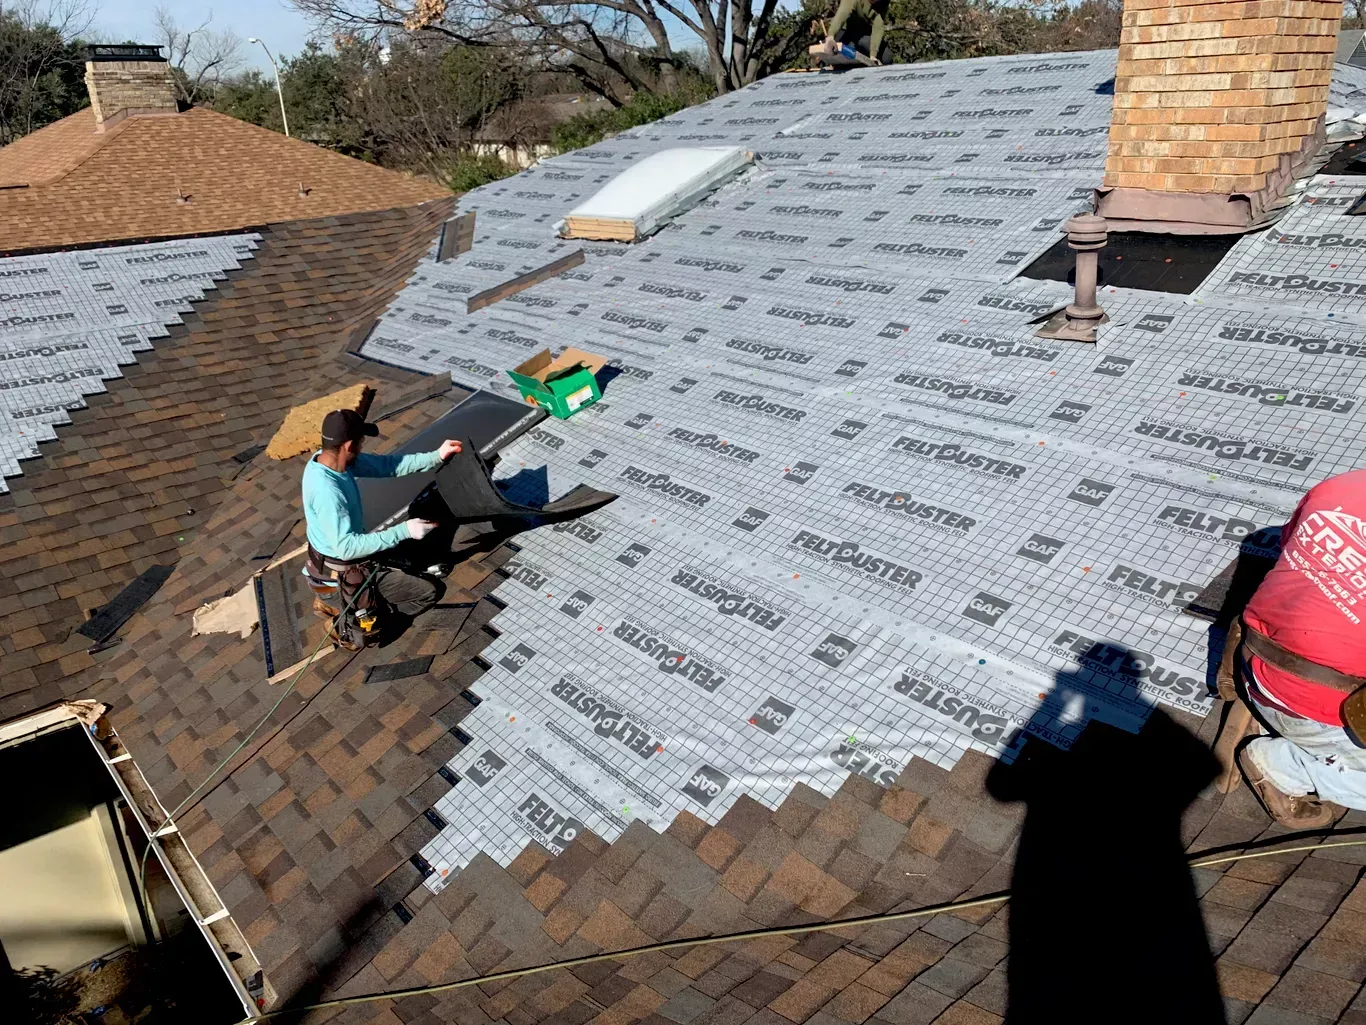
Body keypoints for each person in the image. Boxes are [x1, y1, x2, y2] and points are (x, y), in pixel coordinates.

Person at [1235, 468, 1366, 827]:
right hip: (1310, 705)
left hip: (1254, 652)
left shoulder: (1345, 485)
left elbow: (1290, 548)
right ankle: (1284, 766)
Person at [301, 408, 461, 648]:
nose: (363, 447)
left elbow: (388, 465)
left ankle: (329, 602)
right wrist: (403, 530)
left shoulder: (329, 460)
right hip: (342, 576)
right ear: (348, 445)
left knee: (411, 559)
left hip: (330, 568)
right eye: (361, 442)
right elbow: (346, 548)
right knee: (427, 591)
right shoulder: (327, 491)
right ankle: (345, 624)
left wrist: (436, 456)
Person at [823, 0, 890, 64]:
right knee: (835, 52)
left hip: (864, 33)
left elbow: (878, 26)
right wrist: (831, 36)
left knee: (886, 58)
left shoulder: (884, 2)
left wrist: (873, 55)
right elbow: (843, 12)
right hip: (846, 30)